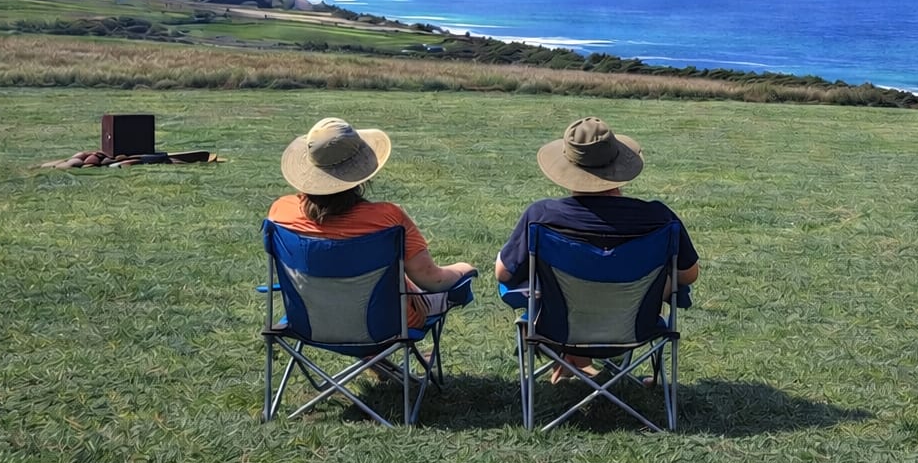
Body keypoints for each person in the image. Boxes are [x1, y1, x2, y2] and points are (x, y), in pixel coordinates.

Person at [495, 116, 700, 382]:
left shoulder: (542, 217)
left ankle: (573, 360)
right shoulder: (659, 219)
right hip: (638, 328)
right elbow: (688, 274)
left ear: (568, 166)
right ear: (619, 167)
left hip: (559, 330)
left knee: (544, 288)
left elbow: (504, 274)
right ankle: (577, 363)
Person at [268, 117, 477, 330]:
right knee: (443, 293)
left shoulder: (280, 212)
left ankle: (379, 362)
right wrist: (464, 269)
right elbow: (433, 280)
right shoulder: (388, 219)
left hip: (310, 323)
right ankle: (396, 361)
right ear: (360, 171)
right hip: (385, 326)